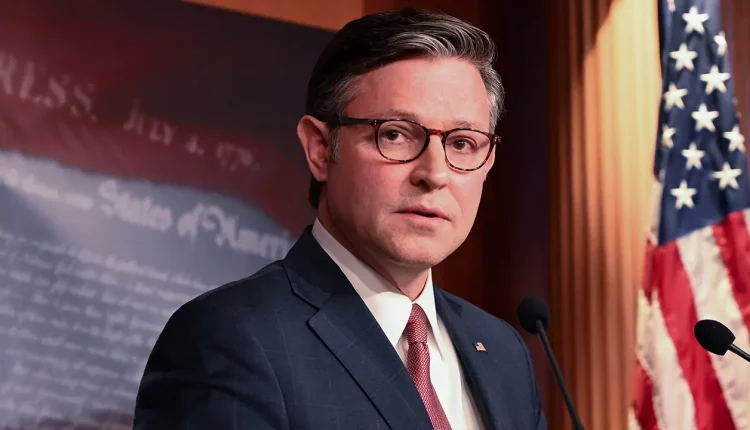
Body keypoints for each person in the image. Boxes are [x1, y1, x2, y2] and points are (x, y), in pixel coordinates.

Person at [133, 7, 547, 430]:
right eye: (395, 134)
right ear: (319, 148)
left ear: (487, 162)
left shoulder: (504, 353)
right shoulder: (229, 339)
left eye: (462, 143)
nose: (435, 174)